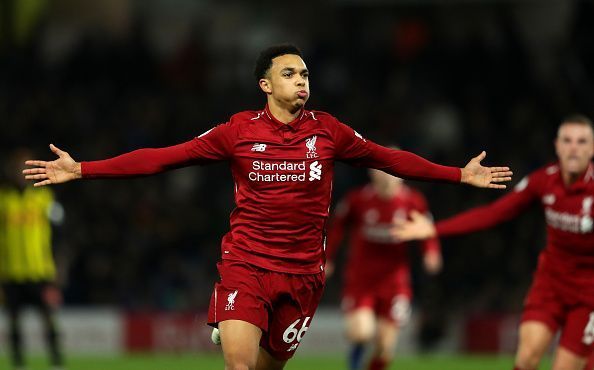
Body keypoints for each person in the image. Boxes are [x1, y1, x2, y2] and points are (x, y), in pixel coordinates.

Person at [22, 44, 512, 370]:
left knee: (264, 367)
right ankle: (233, 324)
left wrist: (458, 174)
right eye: (290, 73)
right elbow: (163, 159)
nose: (302, 81)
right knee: (239, 365)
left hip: (303, 275)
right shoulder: (237, 131)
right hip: (246, 264)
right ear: (265, 85)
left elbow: (390, 158)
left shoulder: (330, 131)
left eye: (305, 73)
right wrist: (84, 168)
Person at [393, 115, 594, 370]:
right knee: (526, 357)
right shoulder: (544, 180)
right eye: (567, 140)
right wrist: (434, 228)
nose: (573, 147)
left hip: (588, 293)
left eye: (581, 141)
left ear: (592, 148)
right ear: (557, 146)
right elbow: (493, 213)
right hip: (550, 284)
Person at [325, 167, 442, 370]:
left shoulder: (413, 201)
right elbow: (337, 228)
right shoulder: (358, 199)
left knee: (384, 347)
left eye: (392, 172)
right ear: (372, 173)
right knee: (361, 332)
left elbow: (426, 229)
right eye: (382, 171)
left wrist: (430, 251)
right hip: (361, 279)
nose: (387, 176)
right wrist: (328, 258)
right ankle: (355, 359)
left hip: (395, 282)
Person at [1, 149, 65, 370]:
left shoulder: (43, 197)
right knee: (14, 323)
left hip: (41, 271)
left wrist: (59, 265)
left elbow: (60, 233)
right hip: (11, 272)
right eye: (16, 168)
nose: (20, 173)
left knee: (48, 320)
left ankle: (57, 363)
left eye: (23, 169)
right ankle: (18, 364)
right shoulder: (3, 200)